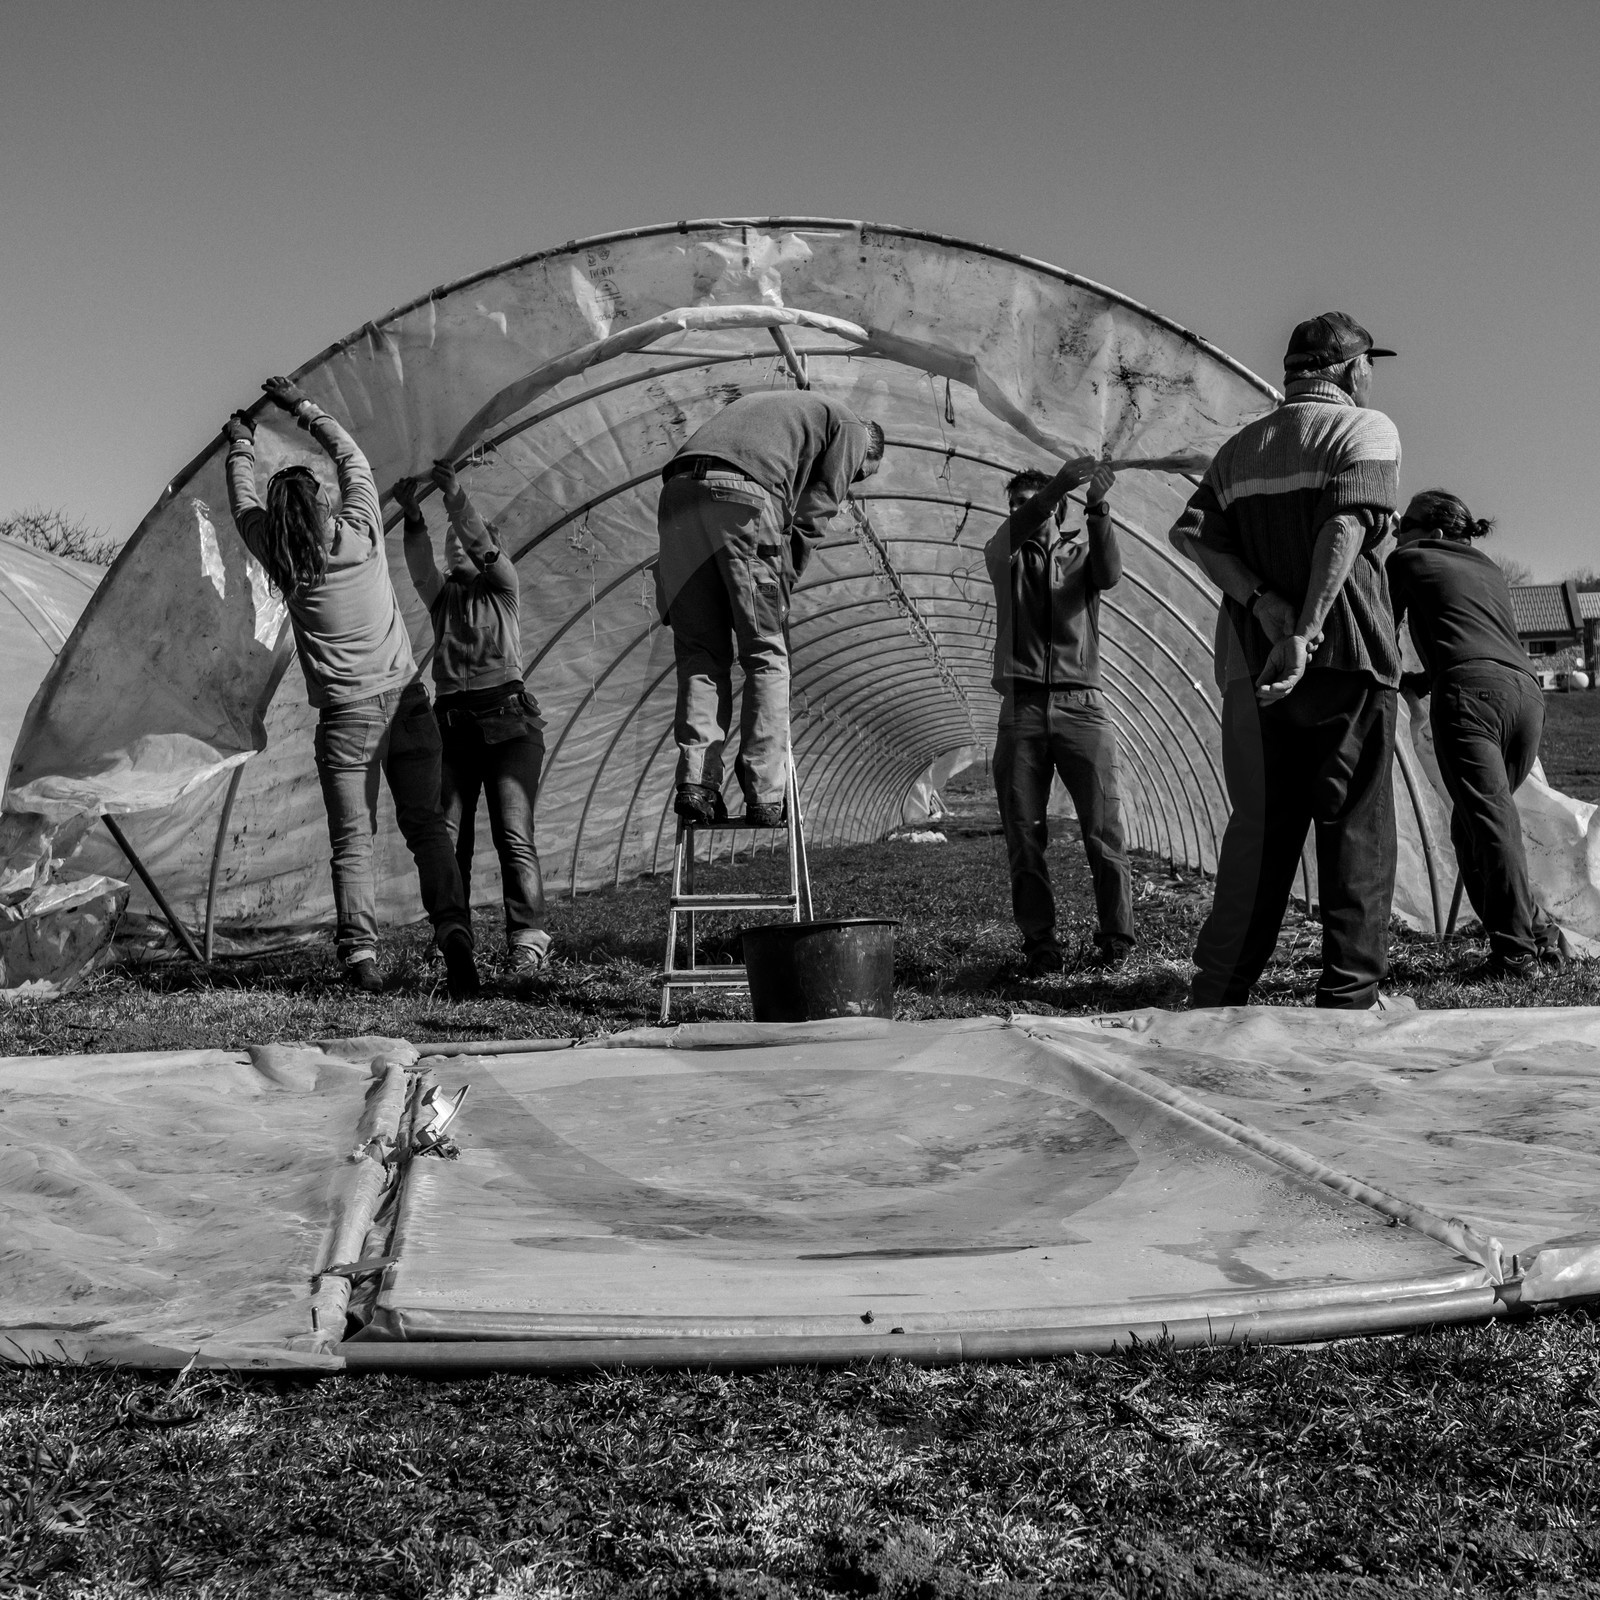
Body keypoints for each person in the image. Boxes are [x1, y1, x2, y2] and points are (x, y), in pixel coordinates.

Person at [1167, 312, 1403, 1009]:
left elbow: (1192, 534)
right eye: (1370, 367)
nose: (1372, 378)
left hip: (1252, 666)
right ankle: (1347, 997)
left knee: (1261, 830)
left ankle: (1218, 990)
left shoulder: (1242, 448)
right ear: (1350, 370)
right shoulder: (1366, 427)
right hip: (1347, 660)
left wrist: (1262, 602)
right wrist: (1306, 628)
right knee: (1354, 824)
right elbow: (1345, 523)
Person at [222, 379, 480, 999]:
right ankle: (454, 939)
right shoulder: (359, 534)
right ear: (323, 506)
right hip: (408, 703)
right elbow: (353, 459)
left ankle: (361, 958)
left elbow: (242, 505)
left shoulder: (283, 560)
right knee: (428, 831)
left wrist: (240, 445)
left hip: (347, 720)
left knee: (352, 842)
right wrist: (301, 408)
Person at [656, 390, 884, 826]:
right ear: (868, 451)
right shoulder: (853, 428)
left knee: (701, 654)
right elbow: (817, 512)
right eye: (859, 476)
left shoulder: (782, 410)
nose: (853, 480)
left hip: (678, 495)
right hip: (741, 499)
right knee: (765, 651)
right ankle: (764, 793)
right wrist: (781, 581)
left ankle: (696, 784)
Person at [1387, 489, 1567, 977]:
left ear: (1437, 531)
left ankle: (1515, 957)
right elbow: (1476, 638)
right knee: (1476, 828)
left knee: (1489, 826)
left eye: (1406, 525)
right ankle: (1540, 937)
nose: (1397, 534)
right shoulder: (1489, 570)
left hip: (1470, 695)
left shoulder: (1408, 559)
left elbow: (1378, 631)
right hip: (1526, 697)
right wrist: (1418, 681)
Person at [395, 462, 551, 984]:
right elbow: (419, 570)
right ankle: (453, 939)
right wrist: (414, 519)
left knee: (513, 834)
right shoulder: (444, 599)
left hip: (509, 725)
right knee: (446, 835)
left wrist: (455, 496)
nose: (452, 550)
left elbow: (480, 540)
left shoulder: (502, 587)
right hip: (454, 727)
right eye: (447, 546)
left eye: (460, 545)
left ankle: (527, 944)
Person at [984, 458, 1134, 976]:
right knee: (1023, 833)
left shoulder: (1081, 557)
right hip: (1022, 708)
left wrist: (1097, 509)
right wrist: (1053, 488)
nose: (1020, 512)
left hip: (1082, 707)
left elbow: (1111, 575)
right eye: (1014, 506)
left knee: (1103, 829)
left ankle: (1116, 938)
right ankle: (1040, 942)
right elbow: (1017, 528)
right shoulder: (1003, 555)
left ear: (1060, 512)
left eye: (1028, 504)